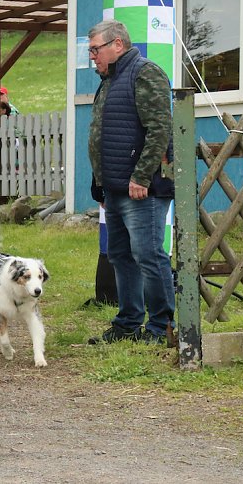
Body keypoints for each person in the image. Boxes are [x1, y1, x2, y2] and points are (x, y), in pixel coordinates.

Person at [86, 19, 175, 345]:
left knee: (149, 255)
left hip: (143, 189)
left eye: (96, 49)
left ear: (117, 45)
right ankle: (128, 323)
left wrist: (141, 176)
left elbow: (159, 130)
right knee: (121, 255)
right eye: (91, 51)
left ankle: (161, 328)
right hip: (116, 188)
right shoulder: (109, 80)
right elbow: (103, 134)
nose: (93, 56)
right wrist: (101, 185)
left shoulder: (145, 72)